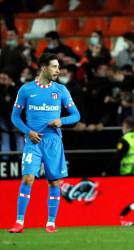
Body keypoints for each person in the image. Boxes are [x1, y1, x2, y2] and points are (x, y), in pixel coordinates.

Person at [8, 53, 81, 233]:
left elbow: (76, 116)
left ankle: (50, 223)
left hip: (53, 143)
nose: (58, 70)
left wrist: (61, 121)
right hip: (33, 142)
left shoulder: (61, 90)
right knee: (28, 178)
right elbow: (15, 117)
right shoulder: (26, 90)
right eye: (54, 67)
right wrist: (28, 132)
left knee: (54, 183)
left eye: (58, 67)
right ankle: (19, 222)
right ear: (43, 68)